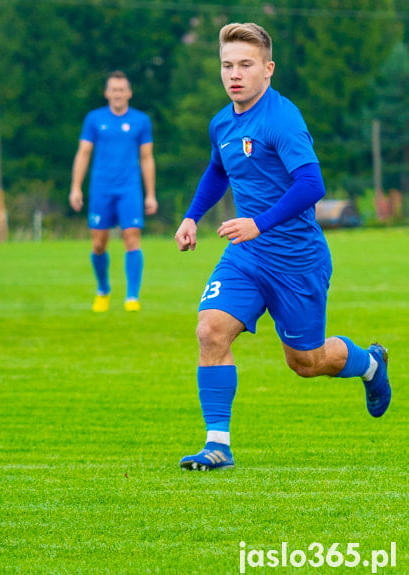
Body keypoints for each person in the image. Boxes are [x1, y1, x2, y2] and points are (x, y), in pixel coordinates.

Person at [174, 22, 391, 471]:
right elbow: (219, 170)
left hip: (297, 262)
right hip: (247, 257)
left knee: (307, 363)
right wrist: (192, 217)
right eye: (227, 65)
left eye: (246, 65)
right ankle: (217, 445)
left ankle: (369, 364)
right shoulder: (222, 122)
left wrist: (260, 222)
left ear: (268, 70)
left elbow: (312, 183)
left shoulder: (282, 118)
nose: (234, 74)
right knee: (209, 330)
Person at [69, 70, 158, 313]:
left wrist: (150, 193)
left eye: (122, 90)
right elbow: (84, 153)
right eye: (113, 90)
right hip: (101, 189)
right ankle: (103, 290)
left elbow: (147, 158)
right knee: (98, 244)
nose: (118, 94)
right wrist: (76, 187)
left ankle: (132, 297)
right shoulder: (94, 119)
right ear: (107, 93)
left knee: (132, 237)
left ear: (129, 92)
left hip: (129, 188)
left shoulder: (141, 121)